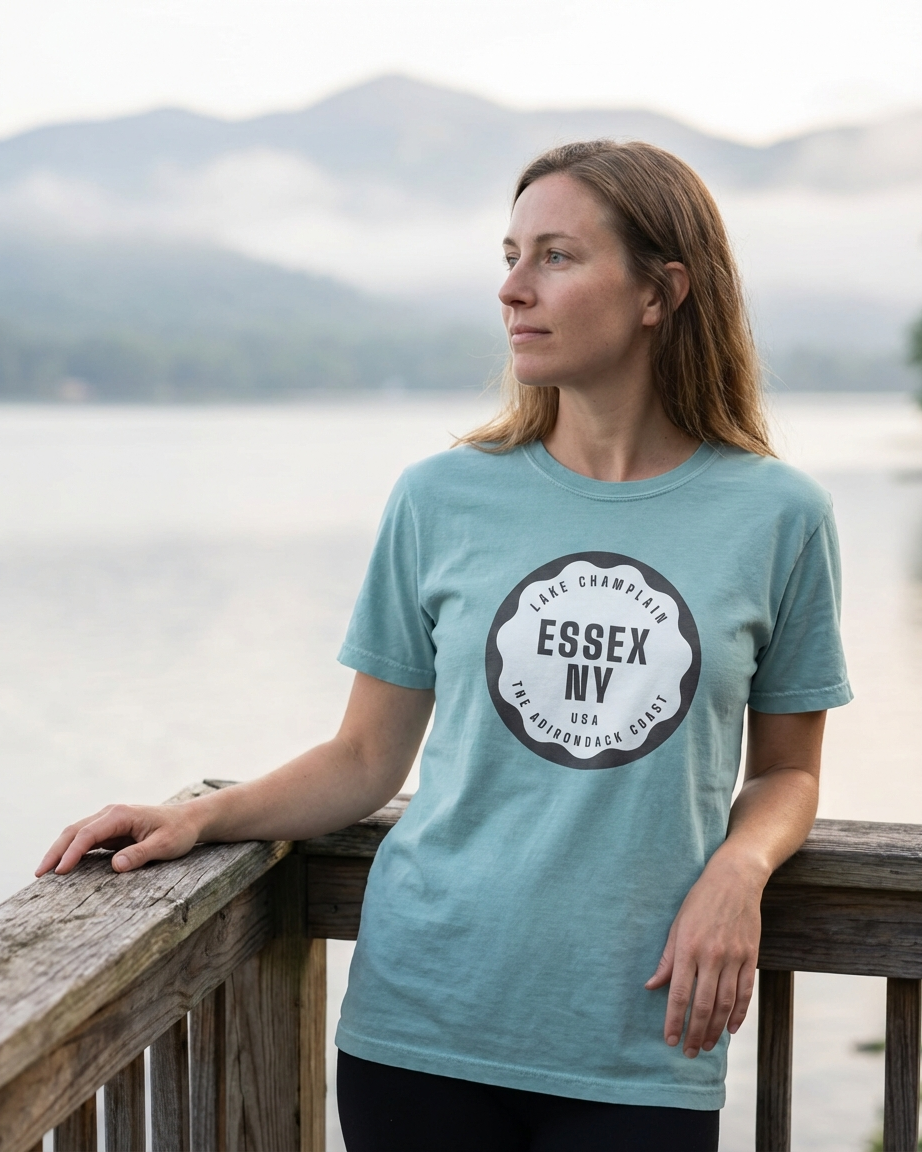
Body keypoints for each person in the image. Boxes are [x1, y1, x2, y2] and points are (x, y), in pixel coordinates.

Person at [37, 140, 852, 1152]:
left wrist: (737, 872)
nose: (511, 289)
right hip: (419, 1023)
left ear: (659, 292)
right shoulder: (441, 498)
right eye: (509, 255)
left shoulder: (775, 515)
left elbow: (786, 774)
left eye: (555, 256)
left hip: (642, 1031)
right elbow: (365, 758)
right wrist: (198, 816)